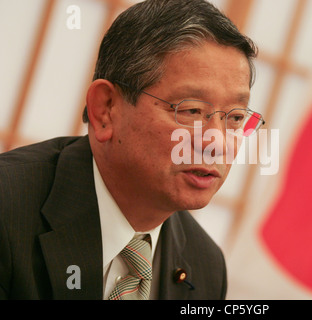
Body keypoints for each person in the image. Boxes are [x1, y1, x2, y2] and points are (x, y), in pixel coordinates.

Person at [0, 0, 264, 300]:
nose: (218, 143)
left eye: (236, 117)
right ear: (105, 109)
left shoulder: (205, 265)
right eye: (191, 110)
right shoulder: (7, 208)